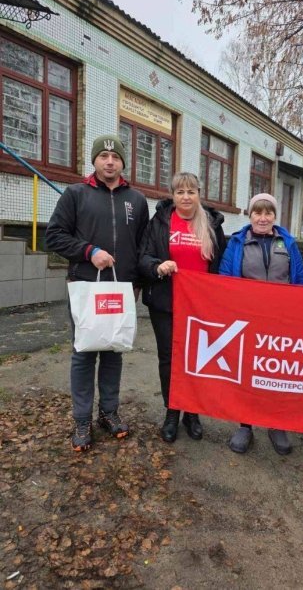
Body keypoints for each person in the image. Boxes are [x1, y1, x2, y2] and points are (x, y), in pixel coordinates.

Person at [45, 135, 149, 452]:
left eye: (115, 157)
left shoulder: (137, 200)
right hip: (86, 287)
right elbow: (54, 236)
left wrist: (137, 282)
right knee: (84, 353)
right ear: (94, 161)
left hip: (122, 289)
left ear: (122, 162)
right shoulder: (76, 194)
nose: (109, 161)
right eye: (103, 156)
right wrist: (88, 251)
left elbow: (142, 246)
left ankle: (108, 413)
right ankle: (82, 420)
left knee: (114, 351)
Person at [139, 172, 226, 443]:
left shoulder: (211, 224)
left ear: (199, 194)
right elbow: (143, 256)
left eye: (191, 191)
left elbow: (221, 264)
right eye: (180, 192)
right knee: (169, 359)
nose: (186, 197)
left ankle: (192, 412)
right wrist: (157, 266)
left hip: (200, 307)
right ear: (173, 195)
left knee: (196, 360)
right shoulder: (160, 221)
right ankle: (172, 411)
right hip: (166, 303)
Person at [219, 192, 303, 455]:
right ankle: (245, 424)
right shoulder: (237, 242)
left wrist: (296, 314)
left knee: (276, 372)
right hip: (247, 320)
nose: (263, 218)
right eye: (257, 212)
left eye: (268, 212)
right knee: (246, 371)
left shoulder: (288, 243)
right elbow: (224, 278)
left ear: (274, 216)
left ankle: (275, 423)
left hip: (280, 321)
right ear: (250, 215)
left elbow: (300, 280)